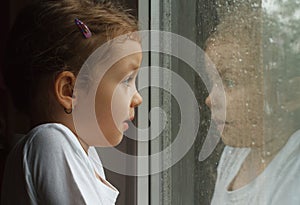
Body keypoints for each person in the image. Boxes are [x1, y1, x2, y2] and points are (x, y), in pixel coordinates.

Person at [1, 0, 143, 204]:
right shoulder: (51, 141)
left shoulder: (84, 154)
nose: (137, 98)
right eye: (127, 80)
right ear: (69, 90)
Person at [204, 8, 300, 205]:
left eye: (229, 82)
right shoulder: (234, 154)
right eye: (212, 82)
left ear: (289, 95)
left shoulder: (293, 172)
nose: (209, 98)